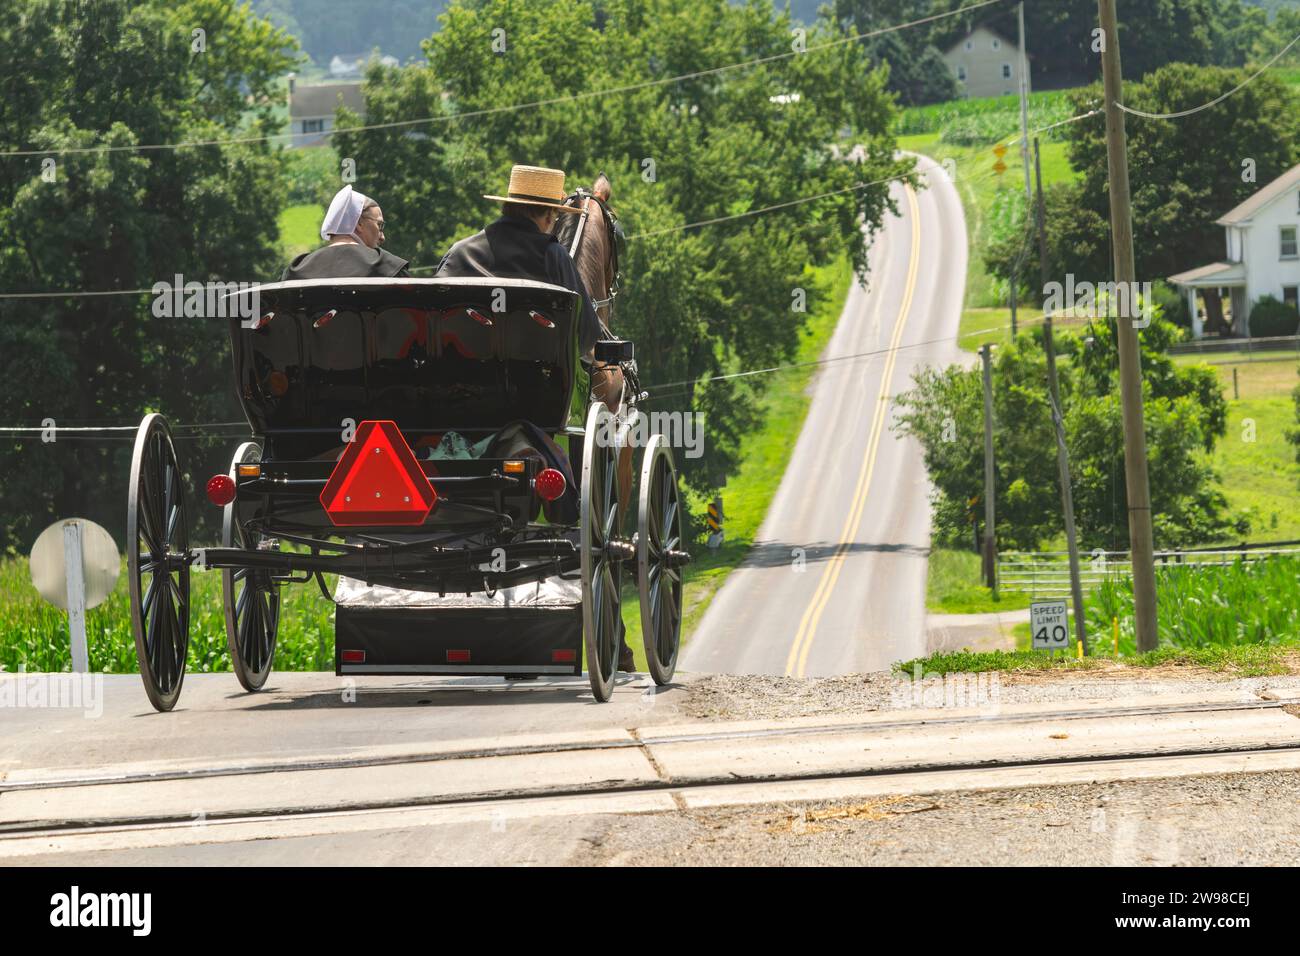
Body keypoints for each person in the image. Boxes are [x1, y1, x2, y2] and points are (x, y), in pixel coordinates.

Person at [435, 165, 601, 356]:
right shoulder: (554, 257)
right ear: (548, 216)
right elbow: (585, 337)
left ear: (507, 207)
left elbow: (432, 320)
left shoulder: (460, 252)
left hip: (456, 378)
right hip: (533, 383)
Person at [282, 185, 409, 280]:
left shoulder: (296, 270)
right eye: (379, 225)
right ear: (359, 223)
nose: (382, 237)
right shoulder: (388, 267)